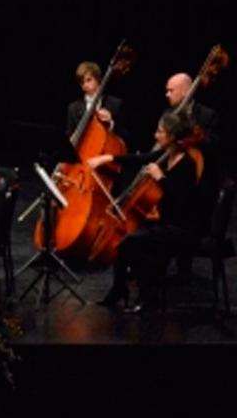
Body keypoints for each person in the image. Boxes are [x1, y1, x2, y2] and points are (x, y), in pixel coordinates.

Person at [89, 111, 200, 312]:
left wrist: (161, 178)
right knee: (125, 239)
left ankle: (148, 296)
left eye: (160, 132)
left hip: (180, 228)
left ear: (172, 136)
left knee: (131, 242)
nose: (155, 135)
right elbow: (139, 158)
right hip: (164, 222)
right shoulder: (165, 156)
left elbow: (180, 202)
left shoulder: (187, 164)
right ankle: (120, 290)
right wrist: (108, 157)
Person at [163, 72, 221, 281]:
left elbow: (214, 146)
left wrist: (197, 137)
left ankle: (182, 265)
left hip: (199, 184)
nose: (167, 94)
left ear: (186, 91)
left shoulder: (207, 115)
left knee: (186, 208)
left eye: (171, 90)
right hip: (174, 178)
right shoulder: (169, 114)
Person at [65, 61, 125, 140]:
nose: (85, 85)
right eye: (82, 82)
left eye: (89, 80)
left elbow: (126, 135)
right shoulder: (73, 108)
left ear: (98, 79)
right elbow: (69, 136)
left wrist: (111, 123)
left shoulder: (115, 103)